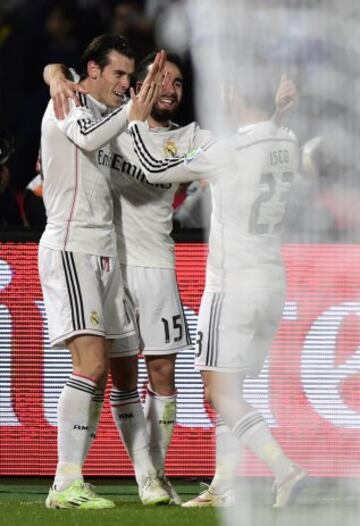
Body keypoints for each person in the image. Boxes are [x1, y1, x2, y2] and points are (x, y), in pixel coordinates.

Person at [127, 74, 306, 509]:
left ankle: (285, 469)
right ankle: (224, 485)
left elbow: (154, 170)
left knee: (218, 391)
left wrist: (134, 123)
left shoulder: (228, 150)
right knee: (232, 387)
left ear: (232, 94)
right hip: (271, 282)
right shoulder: (288, 140)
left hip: (233, 284)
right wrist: (278, 114)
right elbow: (268, 139)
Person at [45, 50, 213, 506]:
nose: (170, 89)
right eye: (162, 79)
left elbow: (175, 165)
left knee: (161, 373)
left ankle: (154, 475)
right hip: (109, 259)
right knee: (115, 374)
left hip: (156, 264)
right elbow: (75, 94)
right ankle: (140, 476)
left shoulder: (192, 138)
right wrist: (56, 73)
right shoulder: (114, 125)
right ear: (143, 83)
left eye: (178, 84)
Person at [39, 33, 165, 510]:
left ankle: (148, 477)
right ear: (90, 71)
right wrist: (132, 108)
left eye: (130, 77)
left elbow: (134, 167)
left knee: (126, 372)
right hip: (72, 248)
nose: (124, 84)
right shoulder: (67, 97)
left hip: (108, 253)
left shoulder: (110, 115)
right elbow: (90, 135)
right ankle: (66, 482)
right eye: (117, 74)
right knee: (89, 366)